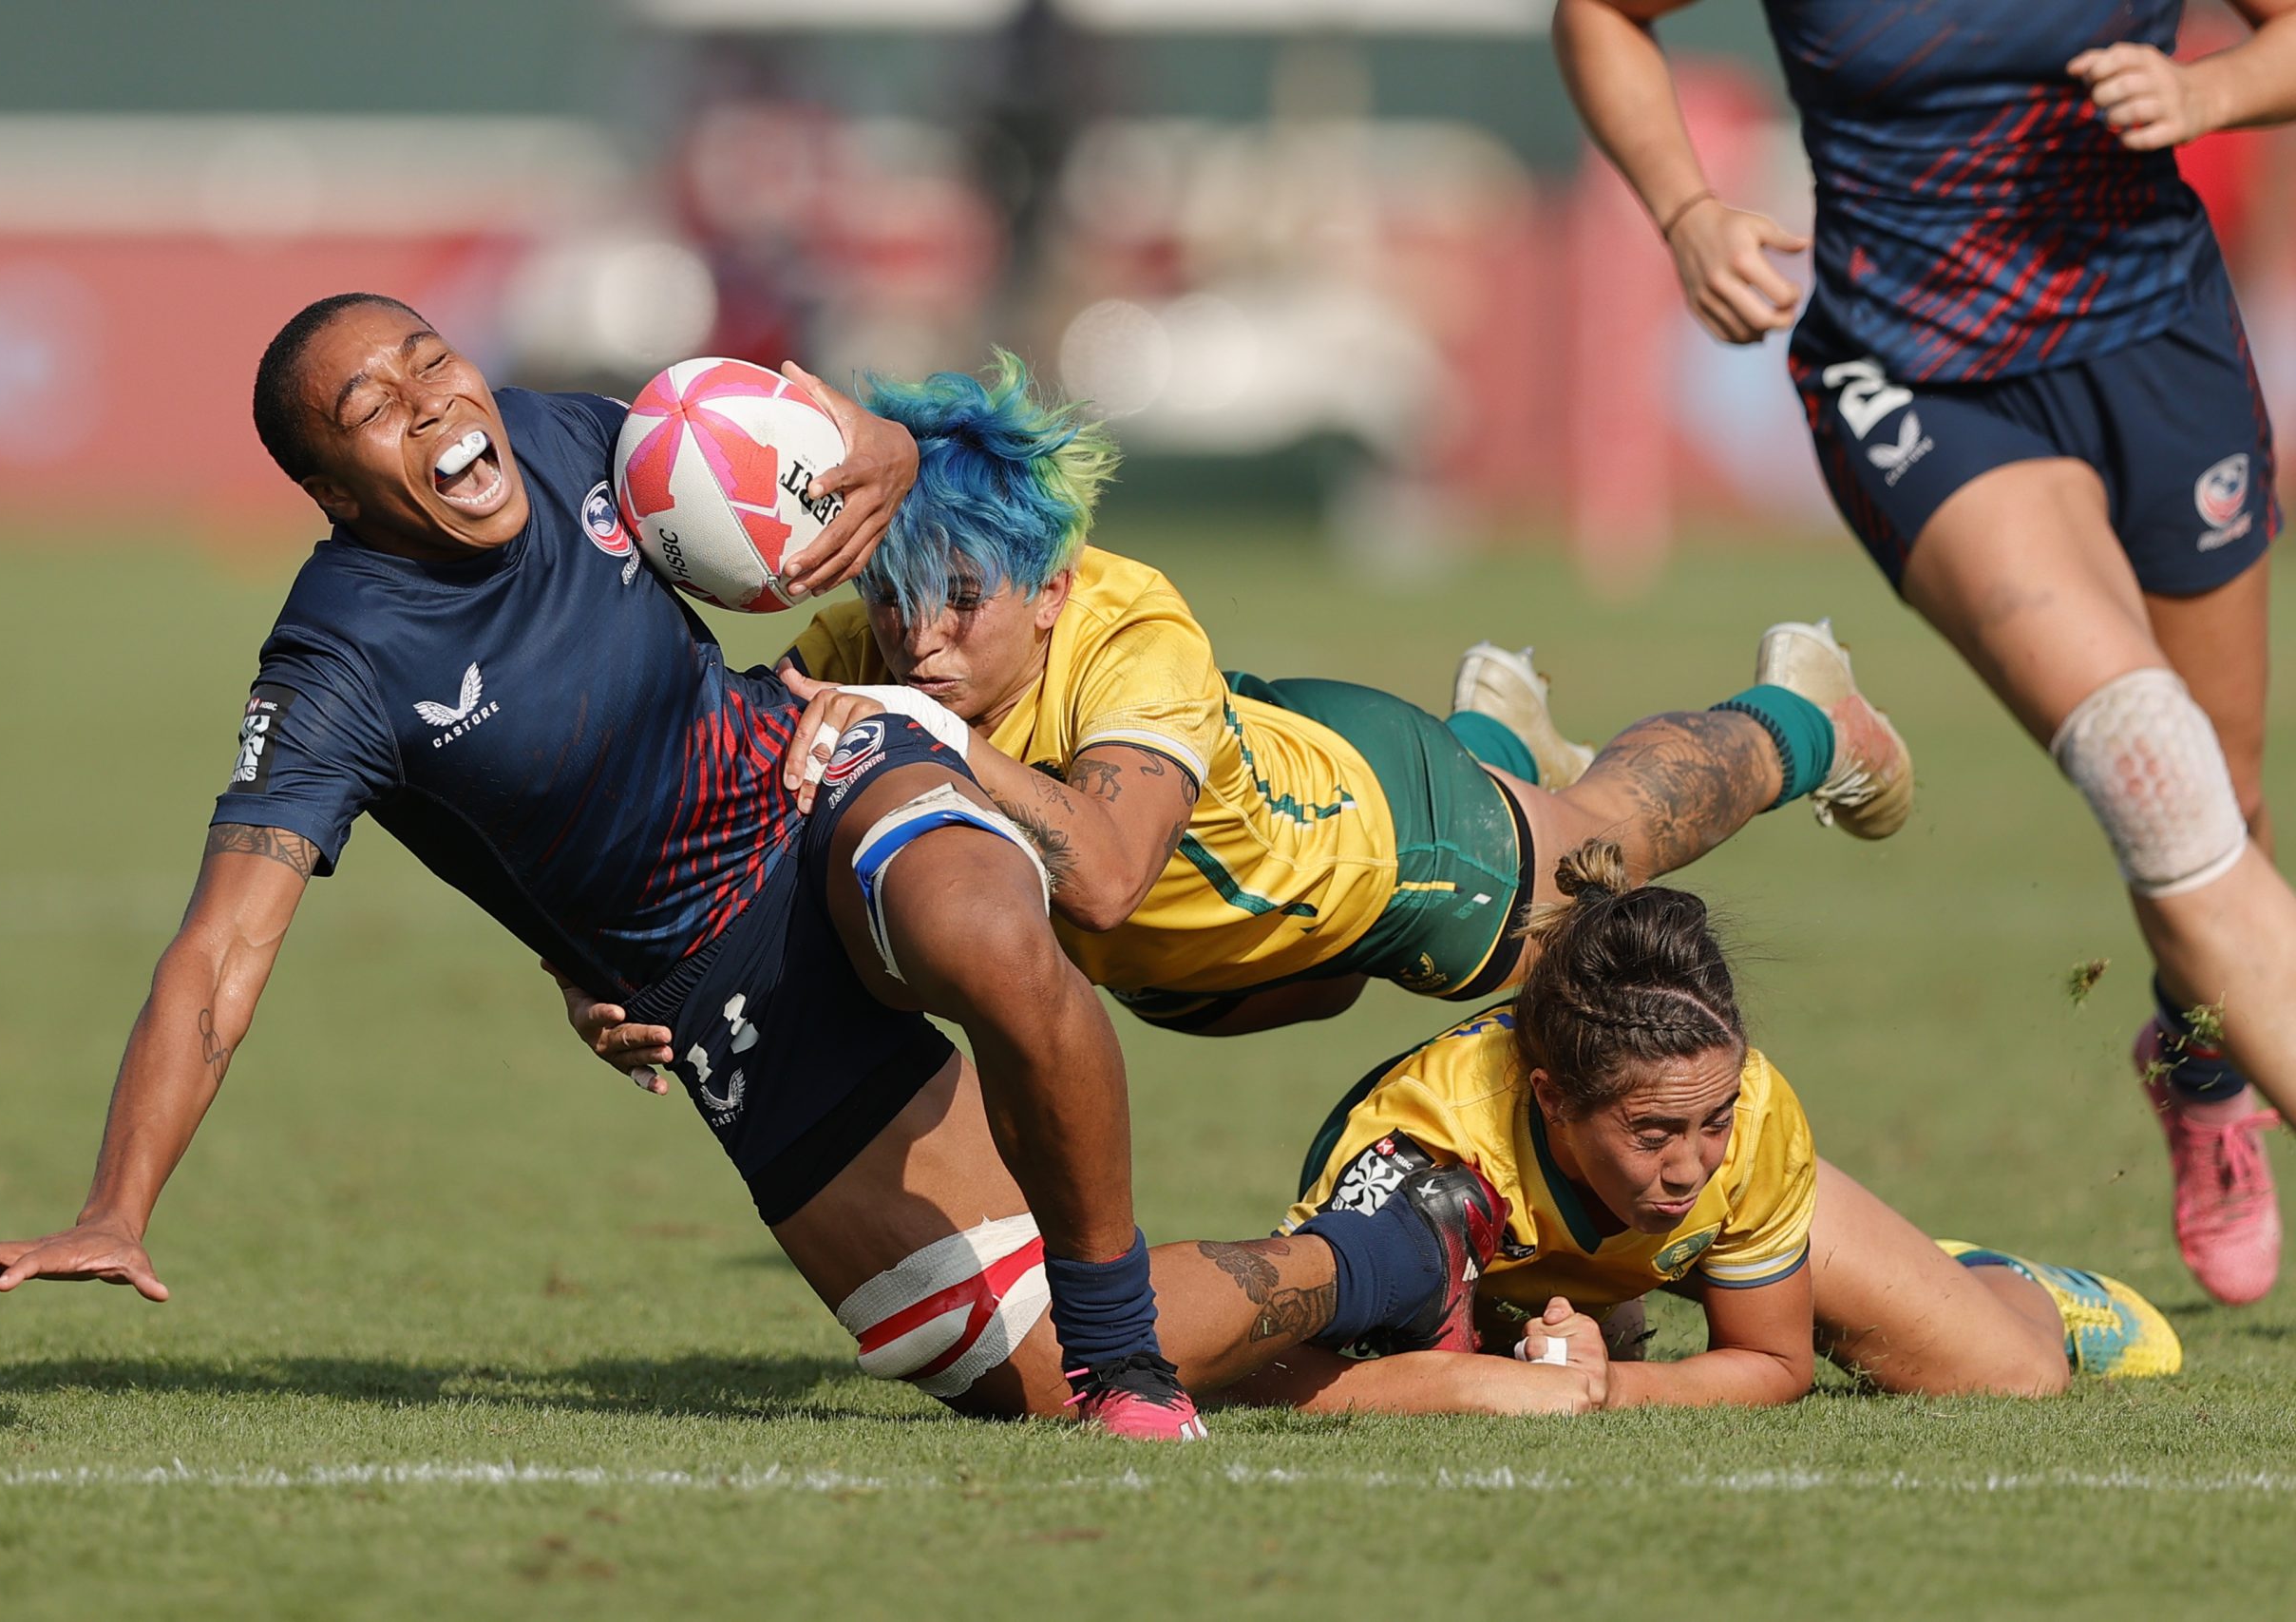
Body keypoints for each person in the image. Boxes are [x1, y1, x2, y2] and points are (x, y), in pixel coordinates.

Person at [0, 294, 1213, 1440]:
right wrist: (115, 1203)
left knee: (987, 938)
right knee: (1002, 1366)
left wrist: (877, 454)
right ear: (331, 490)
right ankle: (1386, 1267)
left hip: (813, 786)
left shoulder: (575, 434)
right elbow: (217, 957)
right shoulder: (337, 668)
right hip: (704, 987)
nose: (432, 403)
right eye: (374, 407)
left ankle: (1126, 1347)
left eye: (433, 362)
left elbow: (851, 441)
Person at [1549, 0, 2295, 1306]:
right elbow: (1602, 14)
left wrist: (2214, 90)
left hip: (2156, 339)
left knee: (2227, 795)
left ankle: (2202, 1059)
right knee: (2156, 770)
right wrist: (1686, 210)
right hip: (1920, 375)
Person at [589, 355, 1912, 1059]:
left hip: (1386, 843)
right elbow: (699, 819)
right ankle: (1500, 730)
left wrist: (930, 739)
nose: (918, 640)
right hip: (1219, 968)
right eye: (897, 601)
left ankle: (1806, 710)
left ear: (1049, 590)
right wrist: (607, 975)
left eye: (964, 601)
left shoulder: (1129, 623)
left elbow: (1103, 878)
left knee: (1608, 851)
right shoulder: (862, 643)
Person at [1247, 841, 2182, 1413]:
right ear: (1553, 1098)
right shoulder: (1418, 1150)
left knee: (2014, 1374)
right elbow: (1277, 1364)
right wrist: (1492, 1382)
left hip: (1672, 1247)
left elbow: (1772, 1362)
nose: (1691, 1166)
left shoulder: (1753, 1118)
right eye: (1652, 1133)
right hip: (1508, 1271)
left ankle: (2004, 1282)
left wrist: (1609, 1393)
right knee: (1502, 1361)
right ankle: (1603, 1311)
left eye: (1714, 1120)